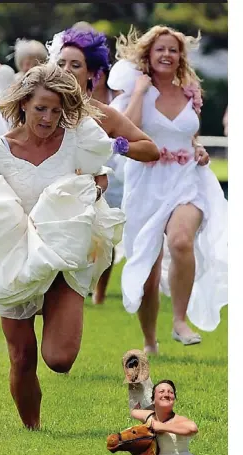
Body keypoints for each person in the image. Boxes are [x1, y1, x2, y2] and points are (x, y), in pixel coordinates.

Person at [0, 64, 125, 429]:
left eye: (55, 110)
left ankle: (58, 307)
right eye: (40, 108)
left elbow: (99, 177)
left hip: (63, 256)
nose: (48, 118)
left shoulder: (77, 142)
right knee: (22, 356)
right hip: (12, 259)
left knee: (60, 358)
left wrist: (90, 192)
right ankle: (33, 429)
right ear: (23, 105)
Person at [111, 26, 227, 351]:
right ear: (148, 54)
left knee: (180, 241)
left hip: (188, 178)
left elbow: (187, 135)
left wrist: (199, 148)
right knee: (148, 272)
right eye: (160, 49)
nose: (166, 55)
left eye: (173, 50)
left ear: (180, 57)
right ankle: (150, 341)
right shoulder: (134, 92)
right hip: (146, 183)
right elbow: (126, 131)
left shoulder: (190, 91)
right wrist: (137, 92)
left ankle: (179, 320)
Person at [47, 26, 160, 304]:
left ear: (92, 73)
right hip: (39, 201)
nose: (66, 69)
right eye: (61, 63)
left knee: (65, 292)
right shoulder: (39, 107)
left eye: (76, 65)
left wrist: (116, 145)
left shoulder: (102, 114)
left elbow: (150, 149)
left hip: (81, 208)